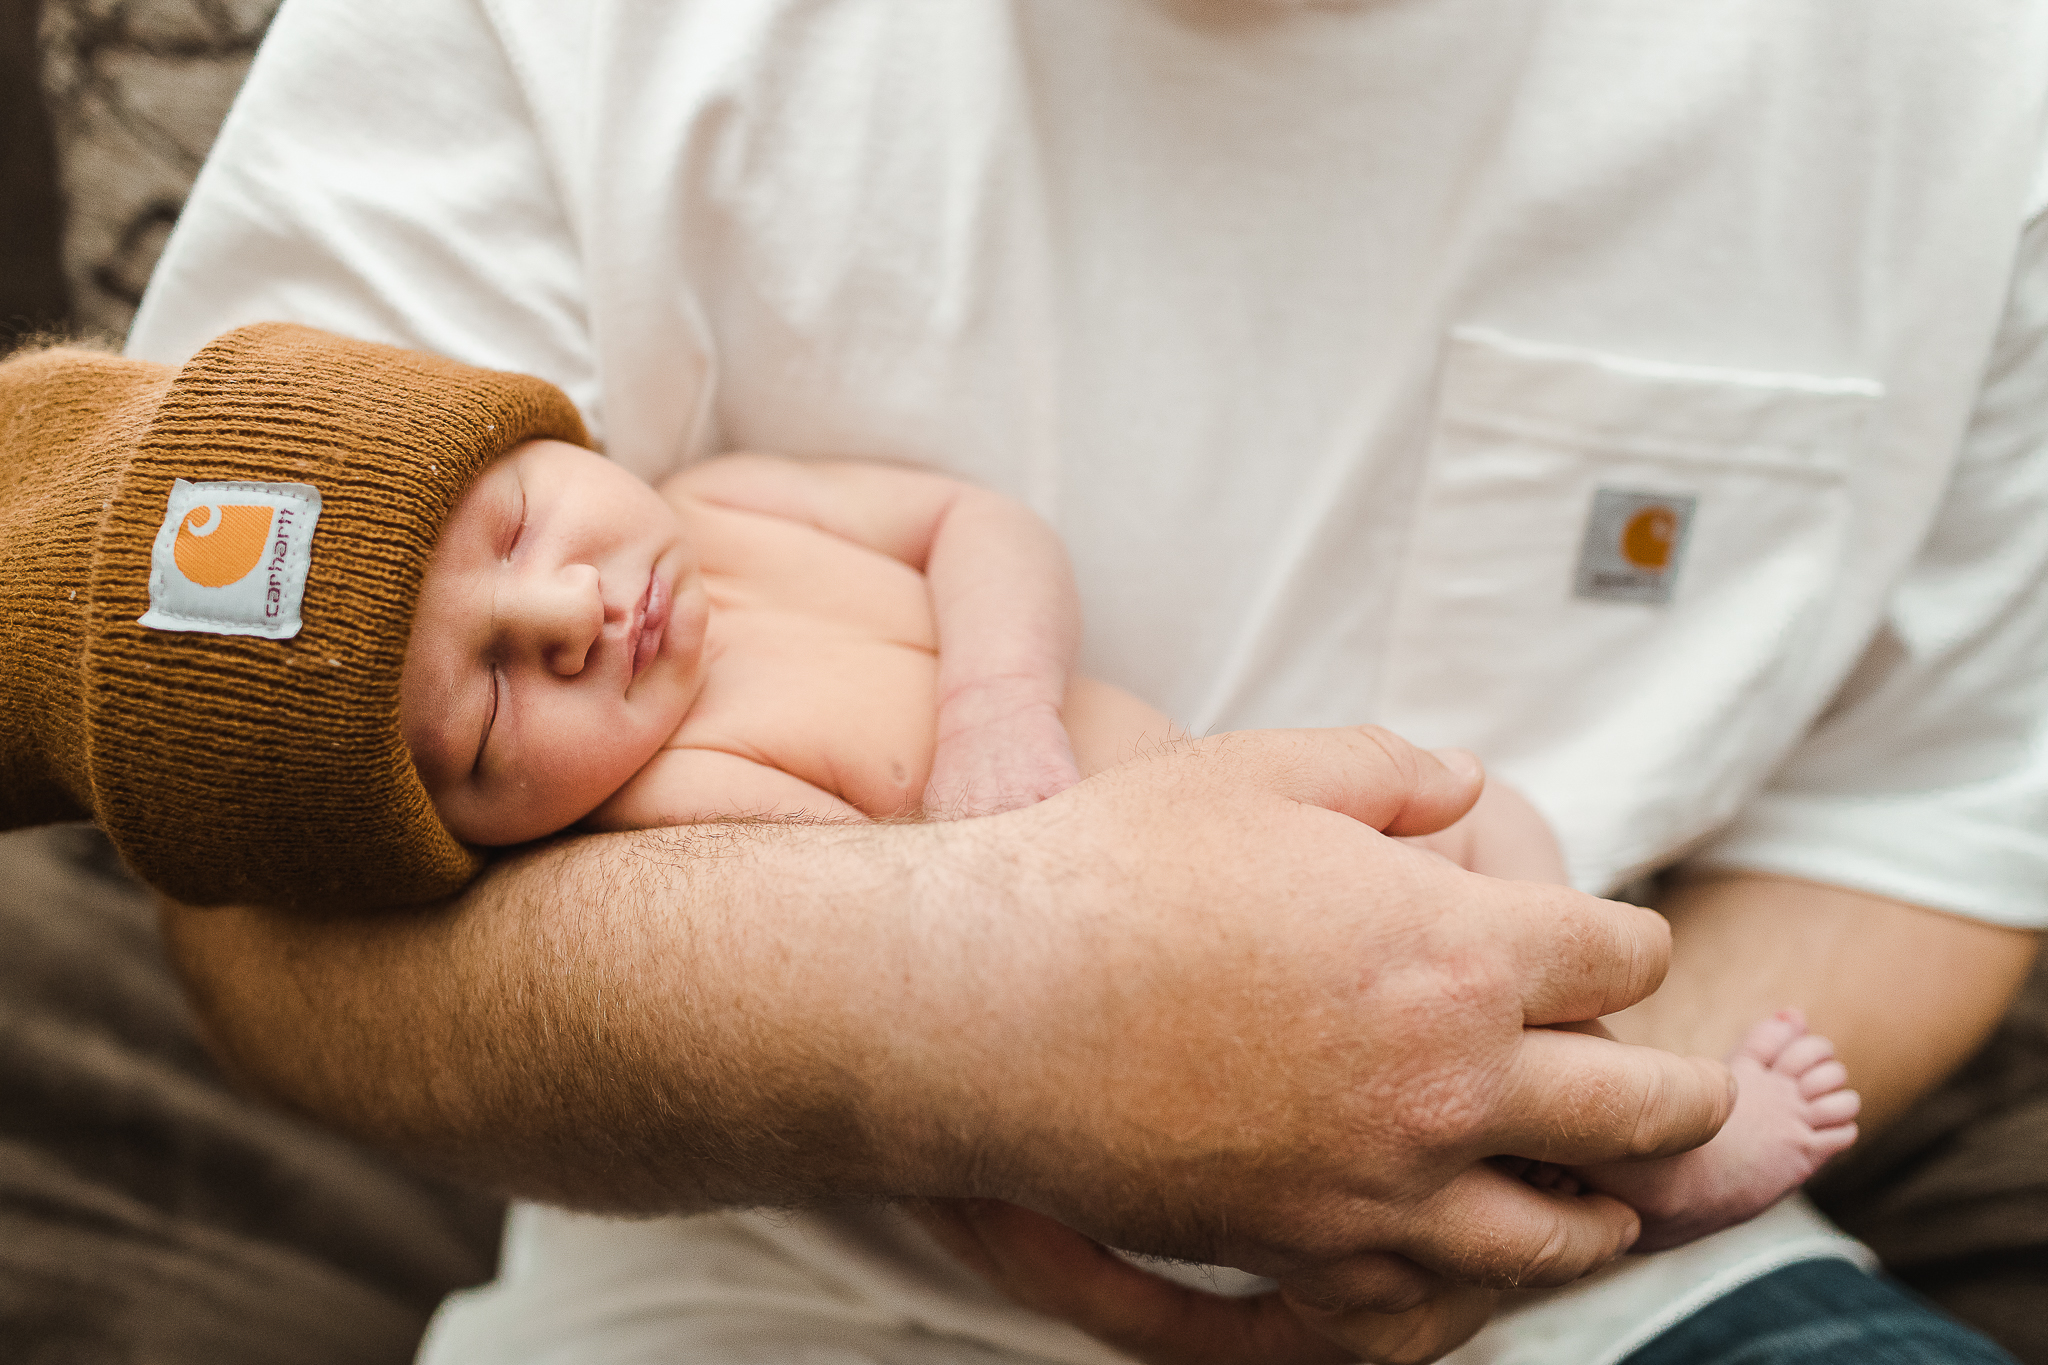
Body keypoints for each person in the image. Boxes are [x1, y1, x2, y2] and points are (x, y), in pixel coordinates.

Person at [123, 2, 2047, 1362]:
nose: (558, 611)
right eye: (479, 709)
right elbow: (248, 863)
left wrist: (1514, 1154)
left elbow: (1927, 825)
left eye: (537, 515)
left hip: (1591, 1260)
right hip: (778, 1284)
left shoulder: (1957, 71)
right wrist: (976, 1006)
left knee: (1507, 860)